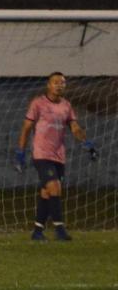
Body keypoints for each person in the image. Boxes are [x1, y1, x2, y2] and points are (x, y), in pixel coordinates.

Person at [15, 72, 98, 242]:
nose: (59, 85)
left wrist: (87, 144)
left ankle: (37, 231)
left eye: (62, 82)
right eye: (55, 82)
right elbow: (26, 129)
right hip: (41, 154)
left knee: (47, 192)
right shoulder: (38, 103)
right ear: (48, 85)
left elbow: (74, 127)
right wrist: (20, 153)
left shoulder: (66, 106)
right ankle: (60, 229)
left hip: (58, 156)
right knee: (55, 187)